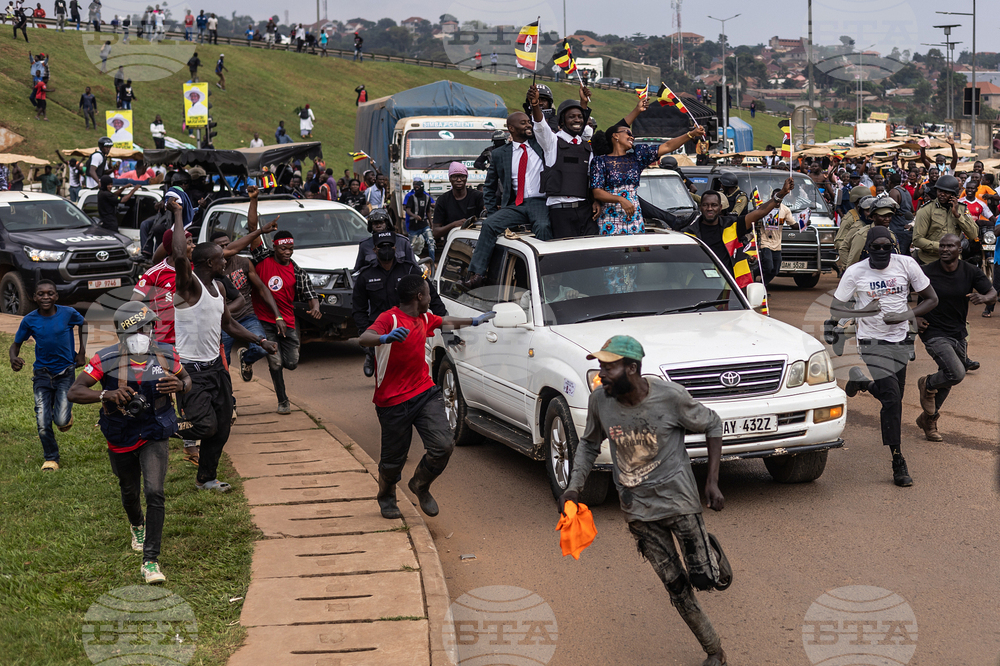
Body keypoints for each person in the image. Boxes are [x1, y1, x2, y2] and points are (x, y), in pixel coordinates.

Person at [561, 335, 731, 666]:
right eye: (600, 368)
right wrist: (573, 488)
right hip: (637, 511)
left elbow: (713, 424)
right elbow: (589, 445)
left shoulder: (670, 397)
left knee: (705, 580)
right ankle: (714, 651)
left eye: (609, 368)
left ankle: (711, 556)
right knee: (677, 588)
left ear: (633, 368)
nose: (601, 375)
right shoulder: (600, 401)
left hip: (680, 502)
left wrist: (712, 483)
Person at [68, 301, 192, 584]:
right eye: (134, 329)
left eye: (146, 327)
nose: (141, 334)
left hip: (154, 431)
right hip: (121, 433)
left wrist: (181, 385)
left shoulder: (166, 355)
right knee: (129, 489)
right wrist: (106, 395)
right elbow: (75, 391)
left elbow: (186, 379)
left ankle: (151, 561)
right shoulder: (105, 358)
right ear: (122, 334)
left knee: (155, 491)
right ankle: (137, 524)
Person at [167, 198, 278, 493]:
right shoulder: (189, 287)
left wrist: (260, 339)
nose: (225, 260)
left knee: (223, 425)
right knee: (205, 427)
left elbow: (228, 324)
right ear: (207, 263)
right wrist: (178, 213)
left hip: (216, 368)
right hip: (190, 371)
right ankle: (158, 427)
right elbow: (180, 255)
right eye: (220, 257)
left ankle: (206, 478)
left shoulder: (218, 288)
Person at [359, 274, 490, 519]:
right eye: (429, 294)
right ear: (419, 296)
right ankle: (387, 496)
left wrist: (474, 321)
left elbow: (445, 320)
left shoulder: (425, 317)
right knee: (392, 461)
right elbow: (363, 338)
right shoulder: (390, 318)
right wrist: (384, 338)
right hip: (392, 402)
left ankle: (420, 484)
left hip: (424, 393)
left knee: (443, 445)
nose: (431, 298)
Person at [833, 226, 938, 487]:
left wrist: (905, 315)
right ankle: (897, 460)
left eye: (886, 247)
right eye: (875, 247)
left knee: (895, 396)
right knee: (892, 399)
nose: (881, 252)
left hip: (901, 339)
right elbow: (836, 309)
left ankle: (863, 383)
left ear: (893, 247)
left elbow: (931, 299)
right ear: (867, 248)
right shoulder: (855, 272)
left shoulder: (906, 264)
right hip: (871, 341)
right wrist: (864, 312)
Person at [914, 234, 996, 441]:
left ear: (960, 249)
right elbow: (912, 297)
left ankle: (928, 419)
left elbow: (993, 292)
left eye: (950, 246)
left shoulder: (970, 271)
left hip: (958, 332)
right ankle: (928, 383)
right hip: (932, 330)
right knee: (956, 373)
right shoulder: (927, 271)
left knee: (949, 378)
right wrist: (914, 318)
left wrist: (984, 297)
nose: (945, 249)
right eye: (942, 245)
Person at [458, 110, 551, 290]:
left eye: (528, 122)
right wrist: (494, 212)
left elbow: (544, 129)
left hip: (539, 202)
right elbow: (490, 186)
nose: (528, 125)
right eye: (523, 123)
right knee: (489, 224)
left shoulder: (540, 145)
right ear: (511, 128)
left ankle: (545, 277)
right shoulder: (501, 154)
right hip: (515, 204)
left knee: (543, 226)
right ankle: (477, 275)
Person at [591, 99, 706, 235]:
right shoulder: (601, 161)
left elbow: (667, 146)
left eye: (632, 134)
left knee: (636, 252)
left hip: (634, 217)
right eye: (628, 133)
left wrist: (690, 134)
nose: (631, 136)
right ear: (615, 136)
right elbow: (597, 191)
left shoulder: (637, 157)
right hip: (610, 218)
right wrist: (620, 199)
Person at [246, 207, 321, 414]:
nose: (287, 252)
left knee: (292, 363)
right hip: (264, 319)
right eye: (283, 249)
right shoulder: (262, 257)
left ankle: (250, 354)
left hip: (287, 321)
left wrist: (315, 308)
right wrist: (254, 200)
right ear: (275, 247)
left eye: (290, 249)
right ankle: (283, 401)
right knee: (276, 362)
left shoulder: (297, 271)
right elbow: (253, 227)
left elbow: (311, 294)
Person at [9, 280, 87, 471]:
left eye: (50, 293)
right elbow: (16, 345)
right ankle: (51, 458)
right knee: (43, 421)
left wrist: (82, 352)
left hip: (65, 372)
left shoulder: (68, 313)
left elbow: (83, 324)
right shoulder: (29, 320)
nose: (45, 297)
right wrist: (13, 358)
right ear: (34, 297)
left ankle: (64, 415)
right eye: (41, 294)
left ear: (56, 296)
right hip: (42, 375)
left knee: (60, 420)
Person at [353, 229, 446, 378]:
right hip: (381, 331)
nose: (386, 249)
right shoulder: (366, 275)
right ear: (375, 250)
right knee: (386, 377)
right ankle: (371, 358)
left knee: (413, 373)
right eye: (382, 246)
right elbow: (359, 309)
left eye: (389, 246)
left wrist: (444, 322)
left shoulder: (409, 269)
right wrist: (368, 337)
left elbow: (432, 296)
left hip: (409, 329)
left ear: (395, 248)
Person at [528, 84, 600, 239]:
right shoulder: (552, 143)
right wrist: (535, 105)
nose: (577, 120)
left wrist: (596, 201)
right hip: (561, 212)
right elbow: (540, 126)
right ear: (561, 122)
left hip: (585, 211)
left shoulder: (587, 149)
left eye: (580, 117)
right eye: (571, 117)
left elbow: (591, 180)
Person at [912, 175, 979, 265]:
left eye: (947, 192)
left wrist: (958, 216)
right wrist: (943, 247)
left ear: (954, 194)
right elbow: (917, 240)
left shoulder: (962, 209)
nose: (942, 194)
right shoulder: (926, 210)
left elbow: (973, 234)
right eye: (940, 191)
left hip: (954, 262)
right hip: (930, 261)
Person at [432, 162, 485, 258]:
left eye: (462, 176)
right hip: (452, 251)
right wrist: (453, 225)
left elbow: (486, 216)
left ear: (466, 178)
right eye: (455, 177)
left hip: (476, 248)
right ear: (450, 179)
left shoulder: (477, 196)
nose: (459, 180)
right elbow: (435, 232)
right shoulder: (443, 200)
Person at [757, 188, 796, 285]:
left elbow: (793, 225)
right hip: (765, 242)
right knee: (768, 266)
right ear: (772, 197)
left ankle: (762, 285)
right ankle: (754, 276)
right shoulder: (764, 207)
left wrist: (805, 223)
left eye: (780, 197)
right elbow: (755, 220)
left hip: (777, 244)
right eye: (776, 197)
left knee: (775, 270)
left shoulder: (785, 210)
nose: (778, 199)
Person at [404, 176, 435, 260]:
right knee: (411, 245)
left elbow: (428, 211)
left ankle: (432, 261)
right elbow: (407, 209)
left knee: (431, 242)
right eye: (415, 188)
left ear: (421, 187)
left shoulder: (427, 197)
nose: (416, 189)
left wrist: (431, 224)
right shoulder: (411, 197)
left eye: (417, 187)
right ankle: (410, 260)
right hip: (414, 226)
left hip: (424, 224)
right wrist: (415, 216)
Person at [887, 171, 915, 257]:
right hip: (908, 227)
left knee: (898, 256)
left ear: (890, 182)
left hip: (898, 228)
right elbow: (912, 209)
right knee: (907, 256)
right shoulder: (906, 191)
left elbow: (892, 209)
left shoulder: (894, 192)